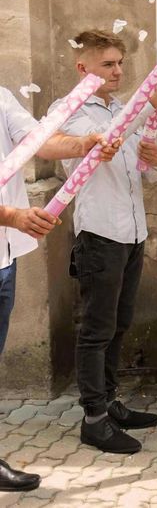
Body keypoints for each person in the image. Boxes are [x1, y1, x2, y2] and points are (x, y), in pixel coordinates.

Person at [55, 30, 157, 455]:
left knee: (119, 323)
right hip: (100, 234)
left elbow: (145, 170)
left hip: (133, 232)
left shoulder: (123, 108)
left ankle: (108, 403)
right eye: (108, 64)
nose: (118, 71)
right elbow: (99, 144)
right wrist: (148, 106)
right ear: (82, 67)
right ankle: (94, 420)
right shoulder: (68, 112)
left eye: (120, 63)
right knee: (96, 329)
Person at [0, 84, 119, 491]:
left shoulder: (1, 97)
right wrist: (11, 216)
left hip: (3, 259)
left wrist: (83, 144)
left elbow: (39, 141)